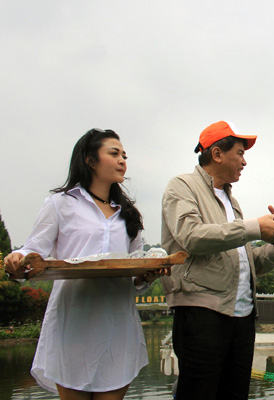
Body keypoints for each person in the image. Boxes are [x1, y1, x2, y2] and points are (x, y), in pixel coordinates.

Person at [4, 128, 167, 399]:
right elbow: (34, 251)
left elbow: (134, 271)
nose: (122, 160)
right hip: (73, 323)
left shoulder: (128, 215)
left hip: (117, 323)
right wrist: (18, 259)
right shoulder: (60, 204)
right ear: (90, 160)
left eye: (124, 155)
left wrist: (148, 275)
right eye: (114, 154)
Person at [160, 120, 274, 400]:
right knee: (199, 393)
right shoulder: (181, 187)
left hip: (242, 318)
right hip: (202, 313)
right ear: (217, 154)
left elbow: (242, 265)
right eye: (240, 153)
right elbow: (192, 236)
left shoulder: (231, 201)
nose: (244, 162)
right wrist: (256, 227)